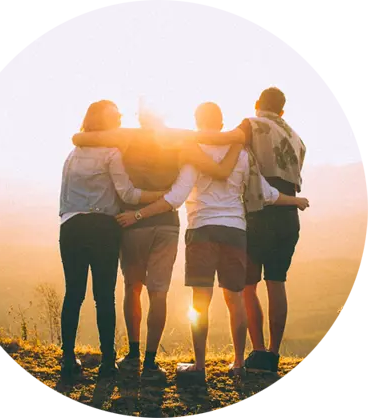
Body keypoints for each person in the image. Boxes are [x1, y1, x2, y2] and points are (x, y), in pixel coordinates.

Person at [116, 102, 309, 378]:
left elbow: (176, 197)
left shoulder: (194, 152)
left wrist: (139, 214)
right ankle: (239, 364)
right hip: (235, 231)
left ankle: (199, 366)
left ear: (197, 122)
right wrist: (296, 200)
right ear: (221, 124)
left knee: (200, 302)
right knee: (236, 300)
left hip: (202, 229)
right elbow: (266, 193)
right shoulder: (242, 153)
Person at [72, 107, 242, 381]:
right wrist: (237, 135)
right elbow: (217, 148)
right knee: (158, 292)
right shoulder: (179, 139)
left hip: (132, 223)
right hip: (166, 224)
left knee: (132, 287)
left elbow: (79, 138)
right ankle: (151, 363)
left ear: (140, 117)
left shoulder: (124, 137)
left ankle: (133, 355)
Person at [59, 100, 166, 380]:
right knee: (103, 297)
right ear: (105, 123)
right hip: (103, 228)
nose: (119, 120)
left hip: (70, 226)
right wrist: (161, 196)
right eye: (115, 117)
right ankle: (108, 362)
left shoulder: (73, 153)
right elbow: (128, 194)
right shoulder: (112, 153)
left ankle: (68, 359)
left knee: (73, 294)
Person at [237, 87, 307, 373]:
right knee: (277, 282)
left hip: (258, 213)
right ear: (282, 110)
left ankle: (258, 351)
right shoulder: (296, 137)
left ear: (257, 104)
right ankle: (274, 355)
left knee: (248, 285)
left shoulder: (250, 124)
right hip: (288, 216)